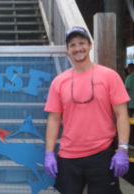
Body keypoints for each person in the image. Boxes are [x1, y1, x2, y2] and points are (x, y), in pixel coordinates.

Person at [44, 26, 130, 194]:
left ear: (90, 45)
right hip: (68, 156)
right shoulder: (58, 82)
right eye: (73, 45)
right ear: (68, 50)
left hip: (102, 154)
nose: (78, 48)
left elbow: (122, 115)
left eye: (81, 43)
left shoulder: (109, 76)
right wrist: (49, 152)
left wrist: (123, 149)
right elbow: (54, 120)